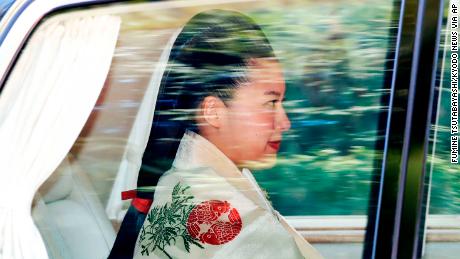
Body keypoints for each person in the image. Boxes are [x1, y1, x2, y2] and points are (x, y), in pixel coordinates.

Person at [111, 9, 323, 259]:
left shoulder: (190, 181)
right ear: (213, 112)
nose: (285, 122)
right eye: (271, 103)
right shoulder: (232, 219)